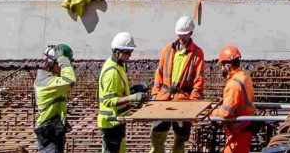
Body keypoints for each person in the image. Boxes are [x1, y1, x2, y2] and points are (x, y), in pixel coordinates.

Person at [147, 16, 206, 153]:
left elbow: (199, 79)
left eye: (184, 35)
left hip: (183, 99)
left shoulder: (197, 53)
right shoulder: (168, 49)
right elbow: (159, 72)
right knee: (157, 134)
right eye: (179, 35)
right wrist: (155, 93)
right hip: (164, 97)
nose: (181, 38)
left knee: (181, 137)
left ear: (191, 33)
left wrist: (193, 101)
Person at [99, 33, 145, 153]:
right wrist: (132, 97)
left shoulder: (119, 65)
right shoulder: (112, 72)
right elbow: (109, 100)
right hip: (110, 122)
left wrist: (134, 89)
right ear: (117, 51)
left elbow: (118, 90)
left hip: (117, 119)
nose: (129, 56)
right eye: (127, 52)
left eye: (130, 52)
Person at [209, 45, 255, 153]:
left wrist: (213, 112)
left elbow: (226, 113)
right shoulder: (244, 76)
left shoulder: (234, 84)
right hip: (244, 126)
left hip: (239, 129)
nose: (221, 68)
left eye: (222, 65)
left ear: (227, 65)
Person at [33, 46, 77, 153]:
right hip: (49, 136)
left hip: (54, 132)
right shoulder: (46, 82)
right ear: (52, 63)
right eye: (61, 64)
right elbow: (70, 81)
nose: (65, 67)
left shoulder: (51, 79)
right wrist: (62, 59)